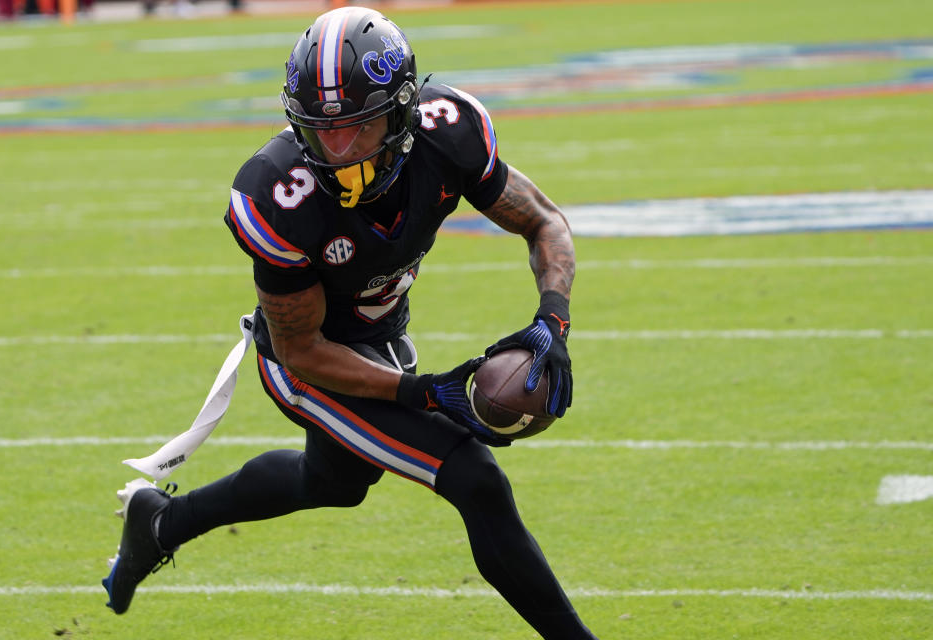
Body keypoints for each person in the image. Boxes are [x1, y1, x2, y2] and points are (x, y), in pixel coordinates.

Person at [102, 7, 593, 639]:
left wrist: (553, 321)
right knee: (474, 477)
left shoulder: (449, 134)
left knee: (335, 481)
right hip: (305, 365)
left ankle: (160, 523)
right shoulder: (278, 193)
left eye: (357, 126)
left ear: (402, 111)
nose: (337, 148)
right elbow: (302, 348)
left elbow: (544, 221)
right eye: (320, 129)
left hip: (379, 338)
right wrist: (423, 391)